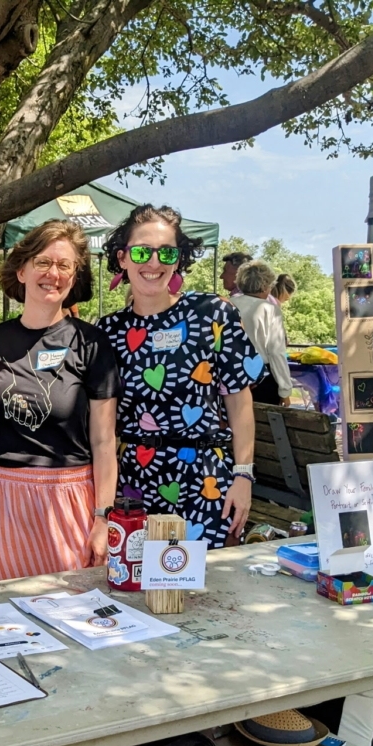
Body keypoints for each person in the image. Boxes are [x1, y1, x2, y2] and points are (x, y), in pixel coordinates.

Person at [0, 220, 118, 585]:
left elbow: (104, 441)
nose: (54, 274)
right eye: (43, 262)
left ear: (75, 275)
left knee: (73, 614)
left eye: (65, 265)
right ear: (22, 270)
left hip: (68, 499)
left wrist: (103, 517)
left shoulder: (92, 344)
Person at [100, 205, 257, 548]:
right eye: (142, 251)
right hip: (133, 484)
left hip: (205, 480)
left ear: (178, 259)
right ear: (123, 258)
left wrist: (243, 475)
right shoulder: (108, 331)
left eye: (166, 252)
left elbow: (239, 399)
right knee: (134, 589)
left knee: (205, 592)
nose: (153, 263)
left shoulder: (213, 314)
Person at [231, 260, 292, 406]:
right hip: (261, 378)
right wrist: (285, 390)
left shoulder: (227, 304)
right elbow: (276, 352)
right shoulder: (269, 309)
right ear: (265, 285)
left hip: (231, 376)